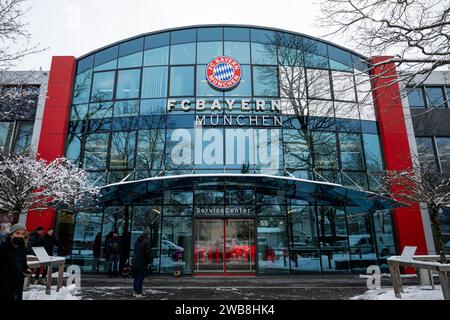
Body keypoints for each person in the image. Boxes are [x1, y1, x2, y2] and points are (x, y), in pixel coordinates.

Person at [0, 223, 32, 301]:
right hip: (4, 285)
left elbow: (23, 263)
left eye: (23, 234)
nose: (20, 236)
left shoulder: (22, 248)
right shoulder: (3, 248)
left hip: (18, 283)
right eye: (17, 233)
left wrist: (26, 269)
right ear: (11, 235)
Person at [132, 233, 152, 298]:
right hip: (142, 262)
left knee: (136, 277)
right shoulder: (147, 242)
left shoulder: (137, 242)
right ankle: (139, 292)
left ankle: (135, 291)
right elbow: (148, 253)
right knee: (140, 278)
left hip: (135, 262)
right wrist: (149, 261)